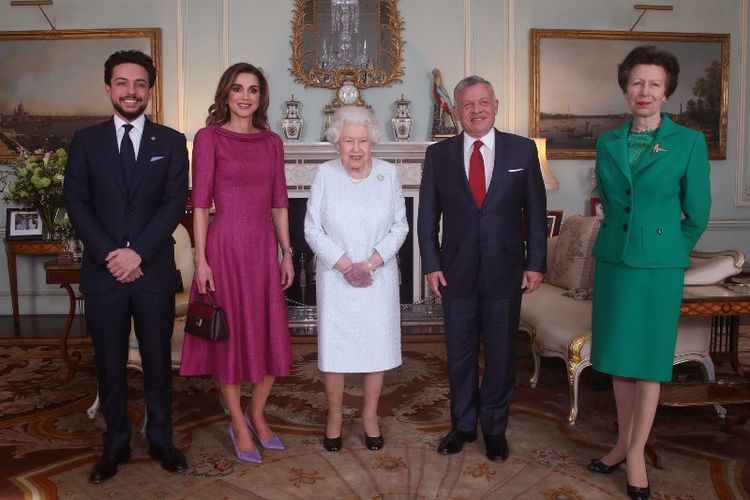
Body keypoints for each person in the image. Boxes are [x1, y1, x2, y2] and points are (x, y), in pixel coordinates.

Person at [587, 46, 711, 500]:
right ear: (625, 88)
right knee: (620, 358)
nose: (644, 91)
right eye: (637, 82)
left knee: (650, 362)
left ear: (666, 92)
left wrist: (667, 249)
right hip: (616, 261)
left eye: (654, 84)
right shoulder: (607, 141)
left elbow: (697, 214)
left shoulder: (688, 142)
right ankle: (621, 442)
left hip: (658, 267)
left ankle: (637, 451)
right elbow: (609, 199)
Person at [63, 50, 189, 483]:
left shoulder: (171, 142)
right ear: (108, 88)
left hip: (152, 271)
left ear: (150, 91)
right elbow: (76, 202)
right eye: (122, 82)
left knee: (157, 362)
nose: (131, 91)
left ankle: (160, 438)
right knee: (110, 363)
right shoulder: (86, 141)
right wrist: (111, 254)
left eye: (139, 84)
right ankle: (115, 442)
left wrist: (138, 253)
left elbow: (175, 203)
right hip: (104, 274)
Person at [417, 75, 547, 461]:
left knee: (501, 353)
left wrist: (536, 263)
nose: (476, 110)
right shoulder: (438, 155)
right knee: (459, 353)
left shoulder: (522, 151)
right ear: (456, 111)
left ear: (496, 105)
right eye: (468, 105)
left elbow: (536, 214)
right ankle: (461, 425)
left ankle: (494, 427)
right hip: (454, 272)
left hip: (505, 270)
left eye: (483, 102)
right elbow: (427, 217)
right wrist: (431, 265)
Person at [179, 63, 294, 464]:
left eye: (253, 90)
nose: (245, 97)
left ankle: (257, 414)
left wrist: (287, 252)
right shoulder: (209, 138)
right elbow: (199, 204)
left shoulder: (272, 142)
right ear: (225, 94)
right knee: (227, 341)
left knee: (268, 335)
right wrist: (201, 258)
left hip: (263, 251)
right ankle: (238, 423)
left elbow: (280, 201)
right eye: (238, 89)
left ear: (261, 98)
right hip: (224, 248)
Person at [304, 106, 408, 452]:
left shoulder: (388, 174)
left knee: (375, 348)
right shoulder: (324, 175)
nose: (356, 148)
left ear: (372, 142)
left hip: (377, 278)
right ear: (336, 143)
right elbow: (311, 229)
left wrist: (372, 263)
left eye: (362, 141)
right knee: (336, 350)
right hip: (337, 279)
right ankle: (334, 416)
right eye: (348, 141)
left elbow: (400, 226)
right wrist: (346, 264)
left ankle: (369, 416)